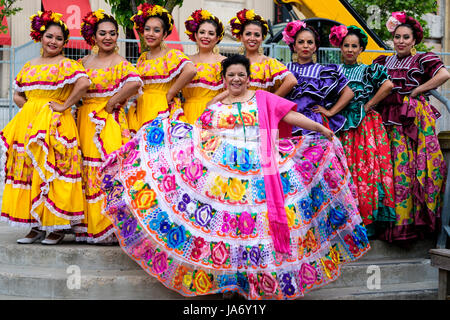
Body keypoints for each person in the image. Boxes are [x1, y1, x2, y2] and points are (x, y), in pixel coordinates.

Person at [99, 54, 369, 300]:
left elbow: (293, 116)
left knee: (258, 227)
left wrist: (323, 130)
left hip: (262, 168)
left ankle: (260, 283)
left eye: (241, 74)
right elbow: (199, 133)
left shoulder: (263, 98)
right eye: (231, 75)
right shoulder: (215, 103)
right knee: (229, 227)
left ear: (248, 77)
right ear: (224, 78)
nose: (237, 79)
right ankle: (230, 282)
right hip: (223, 174)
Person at [0, 11, 90, 244]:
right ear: (40, 37)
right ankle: (35, 225)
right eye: (49, 36)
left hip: (56, 125)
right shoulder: (30, 65)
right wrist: (32, 108)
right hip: (29, 125)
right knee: (30, 173)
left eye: (59, 38)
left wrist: (64, 106)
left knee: (55, 172)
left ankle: (56, 227)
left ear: (64, 43)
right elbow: (19, 94)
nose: (53, 41)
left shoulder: (67, 65)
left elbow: (84, 83)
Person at [373, 12, 450, 243]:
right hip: (387, 119)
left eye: (406, 37)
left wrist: (417, 90)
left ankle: (413, 226)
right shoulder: (383, 61)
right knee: (393, 170)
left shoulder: (423, 59)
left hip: (413, 119)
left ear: (414, 40)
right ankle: (391, 225)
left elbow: (444, 74)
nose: (401, 41)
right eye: (397, 37)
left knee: (413, 169)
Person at [75, 10, 143, 244]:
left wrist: (113, 101)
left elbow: (135, 82)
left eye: (112, 33)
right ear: (93, 36)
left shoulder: (120, 62)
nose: (108, 37)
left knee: (106, 169)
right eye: (102, 33)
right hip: (84, 119)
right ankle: (85, 226)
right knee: (84, 168)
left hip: (109, 121)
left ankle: (107, 227)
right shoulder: (83, 62)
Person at [328, 25, 396, 237]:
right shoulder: (332, 70)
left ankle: (366, 222)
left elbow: (388, 85)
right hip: (339, 124)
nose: (349, 49)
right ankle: (344, 221)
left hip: (364, 126)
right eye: (346, 45)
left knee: (365, 169)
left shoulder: (368, 70)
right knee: (342, 169)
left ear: (361, 49)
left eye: (354, 46)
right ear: (340, 47)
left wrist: (368, 105)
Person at [126, 3, 197, 135]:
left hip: (162, 105)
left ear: (164, 34)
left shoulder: (171, 54)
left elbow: (191, 70)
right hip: (143, 105)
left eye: (156, 30)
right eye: (147, 29)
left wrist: (170, 93)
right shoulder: (142, 57)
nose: (150, 34)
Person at [207, 9, 297, 106]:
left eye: (257, 35)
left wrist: (270, 101)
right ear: (241, 37)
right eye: (248, 34)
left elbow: (291, 81)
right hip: (235, 111)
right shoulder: (233, 63)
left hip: (260, 112)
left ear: (262, 38)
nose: (252, 38)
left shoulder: (269, 63)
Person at [282, 20, 354, 136]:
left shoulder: (323, 72)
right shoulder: (284, 68)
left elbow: (348, 93)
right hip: (289, 120)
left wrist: (330, 112)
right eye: (301, 42)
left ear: (315, 47)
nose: (306, 46)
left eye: (310, 42)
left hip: (314, 123)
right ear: (294, 46)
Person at [181, 9, 226, 124]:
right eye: (202, 32)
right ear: (195, 35)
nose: (206, 36)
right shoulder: (186, 61)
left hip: (215, 113)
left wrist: (215, 100)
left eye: (211, 34)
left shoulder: (224, 62)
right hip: (188, 112)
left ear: (217, 38)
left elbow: (233, 89)